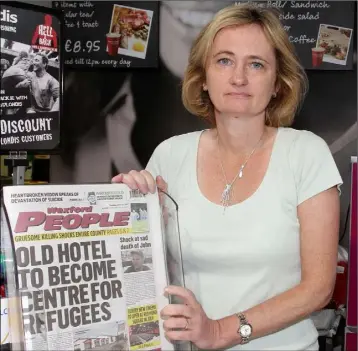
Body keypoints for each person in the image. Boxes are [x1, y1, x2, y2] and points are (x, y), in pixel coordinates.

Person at [112, 3, 342, 350]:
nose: (239, 77)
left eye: (256, 64)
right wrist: (130, 216)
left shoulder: (306, 154)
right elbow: (139, 271)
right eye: (224, 60)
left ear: (278, 83)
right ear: (203, 77)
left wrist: (220, 332)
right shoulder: (169, 155)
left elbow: (318, 288)